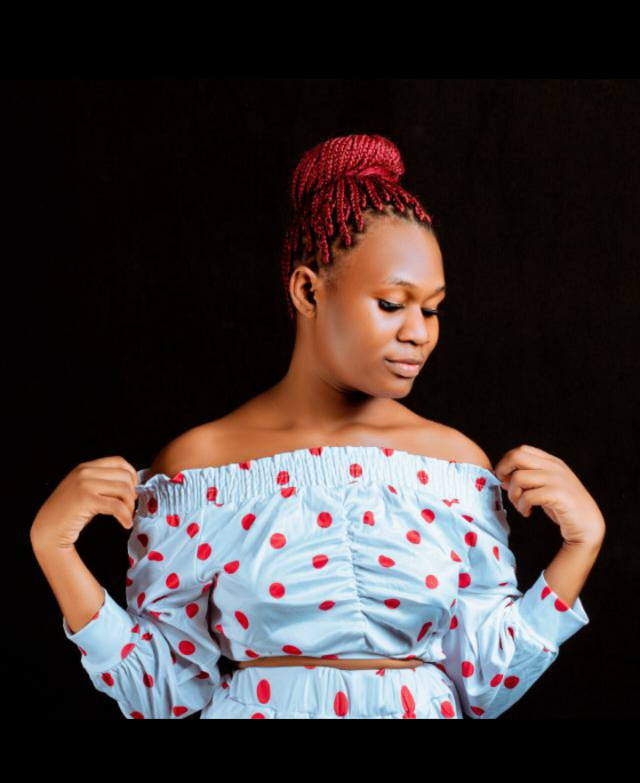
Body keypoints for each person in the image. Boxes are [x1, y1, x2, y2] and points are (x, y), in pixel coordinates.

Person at [30, 133, 604, 719]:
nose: (419, 333)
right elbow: (160, 693)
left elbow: (487, 681)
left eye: (431, 308)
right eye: (392, 304)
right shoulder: (201, 470)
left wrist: (580, 546)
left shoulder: (451, 468)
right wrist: (54, 548)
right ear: (308, 290)